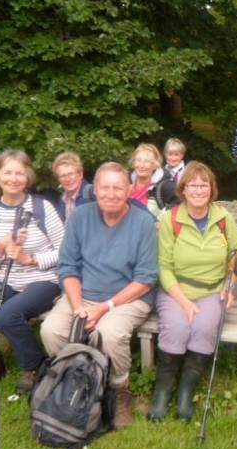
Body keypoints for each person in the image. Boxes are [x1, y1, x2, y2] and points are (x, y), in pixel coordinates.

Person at [40, 162, 158, 429]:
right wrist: (79, 306)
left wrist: (104, 307)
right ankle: (80, 384)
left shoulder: (143, 223)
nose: (111, 194)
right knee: (51, 330)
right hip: (83, 295)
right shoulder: (80, 217)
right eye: (105, 187)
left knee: (108, 334)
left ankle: (120, 391)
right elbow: (67, 266)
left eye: (118, 187)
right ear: (96, 190)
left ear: (129, 190)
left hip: (128, 298)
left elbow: (146, 278)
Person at [0, 149, 64, 395]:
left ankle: (35, 366)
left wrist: (30, 258)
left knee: (6, 315)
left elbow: (66, 249)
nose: (13, 178)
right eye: (8, 172)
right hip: (5, 280)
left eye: (20, 173)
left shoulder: (42, 208)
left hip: (43, 280)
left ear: (27, 177)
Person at [149, 161, 237, 422]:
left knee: (203, 329)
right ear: (184, 188)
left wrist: (230, 283)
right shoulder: (171, 220)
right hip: (175, 290)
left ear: (211, 188)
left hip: (212, 291)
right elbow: (164, 267)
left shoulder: (224, 218)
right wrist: (185, 302)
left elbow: (236, 253)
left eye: (204, 185)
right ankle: (162, 392)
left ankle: (185, 393)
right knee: (177, 328)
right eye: (193, 185)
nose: (199, 190)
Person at [129, 143, 180, 217]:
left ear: (155, 164)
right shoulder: (125, 181)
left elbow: (181, 202)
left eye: (147, 161)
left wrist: (161, 221)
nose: (142, 165)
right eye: (138, 160)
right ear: (133, 162)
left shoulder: (164, 186)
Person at [52, 151, 95, 225]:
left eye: (71, 174)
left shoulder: (92, 193)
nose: (68, 179)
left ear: (80, 174)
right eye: (63, 176)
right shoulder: (62, 199)